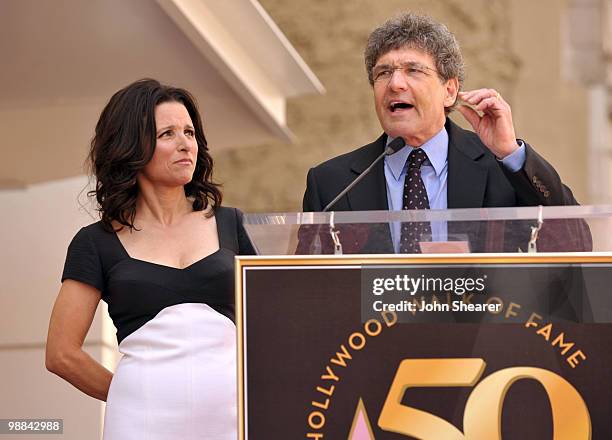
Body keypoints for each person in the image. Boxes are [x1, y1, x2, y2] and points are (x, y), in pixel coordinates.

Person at [46, 79, 254, 439]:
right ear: (132, 146)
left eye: (189, 132)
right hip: (141, 425)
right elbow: (61, 353)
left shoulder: (232, 224)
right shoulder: (95, 243)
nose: (185, 144)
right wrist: (132, 395)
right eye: (168, 133)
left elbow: (272, 324)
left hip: (232, 420)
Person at [302, 13, 589, 253]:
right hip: (372, 323)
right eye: (383, 73)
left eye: (413, 70)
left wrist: (510, 153)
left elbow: (576, 240)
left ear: (449, 91)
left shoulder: (501, 169)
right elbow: (305, 288)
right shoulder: (332, 184)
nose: (395, 84)